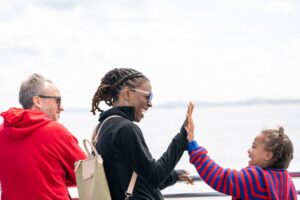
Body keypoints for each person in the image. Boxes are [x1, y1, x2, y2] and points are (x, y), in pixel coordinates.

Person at [90, 68, 193, 200]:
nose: (150, 103)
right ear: (127, 94)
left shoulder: (100, 129)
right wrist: (182, 138)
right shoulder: (126, 129)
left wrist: (175, 175)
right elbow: (154, 177)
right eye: (147, 96)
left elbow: (135, 180)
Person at [0, 73, 86, 200]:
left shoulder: (2, 132)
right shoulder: (57, 132)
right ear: (38, 101)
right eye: (58, 100)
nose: (61, 107)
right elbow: (86, 175)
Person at [185, 103, 298, 200]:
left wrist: (194, 148)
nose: (248, 151)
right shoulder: (288, 183)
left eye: (254, 147)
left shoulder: (256, 178)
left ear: (268, 155)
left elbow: (221, 178)